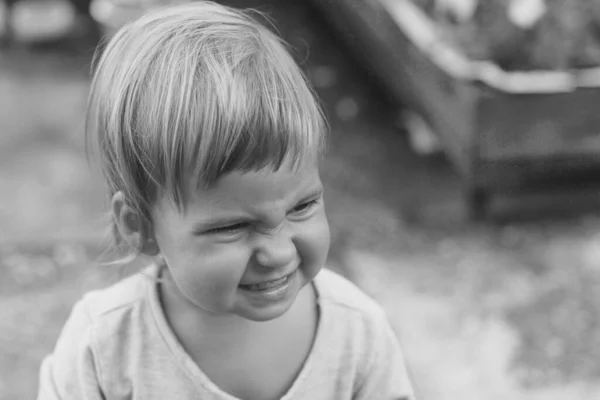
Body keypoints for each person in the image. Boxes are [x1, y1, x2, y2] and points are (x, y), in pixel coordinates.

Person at [36, 2, 416, 399]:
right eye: (233, 227)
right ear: (141, 226)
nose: (278, 252)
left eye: (301, 207)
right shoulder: (102, 349)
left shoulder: (357, 336)